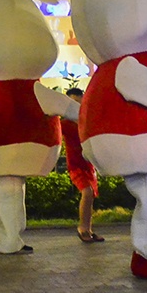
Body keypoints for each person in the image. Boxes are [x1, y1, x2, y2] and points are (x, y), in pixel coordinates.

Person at [60, 85, 102, 243]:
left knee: (90, 197)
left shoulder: (87, 121)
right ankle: (83, 228)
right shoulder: (64, 124)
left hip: (89, 166)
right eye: (73, 102)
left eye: (79, 102)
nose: (77, 106)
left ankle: (89, 229)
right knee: (87, 193)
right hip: (76, 166)